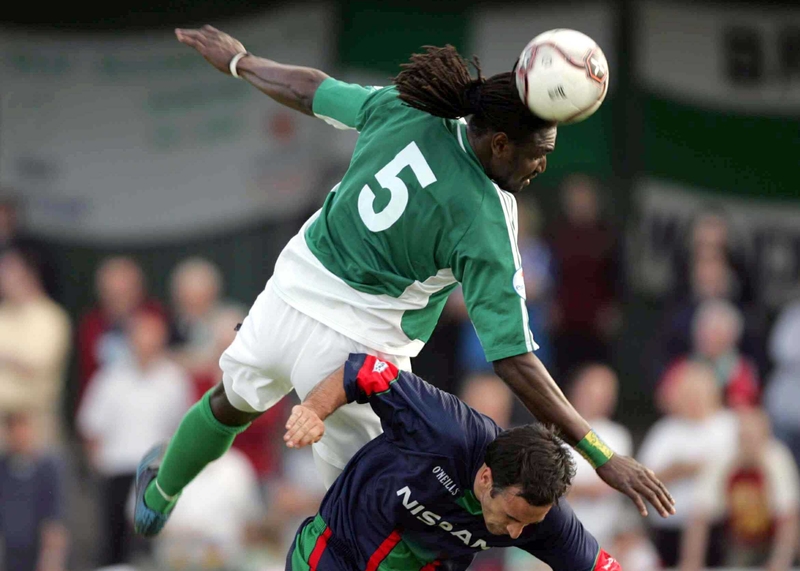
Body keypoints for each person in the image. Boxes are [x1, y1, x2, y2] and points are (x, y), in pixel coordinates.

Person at [132, 26, 673, 538]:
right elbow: (513, 358)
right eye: (541, 153)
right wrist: (602, 455)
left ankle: (159, 492)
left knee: (230, 404)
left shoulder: (407, 108)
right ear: (503, 144)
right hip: (355, 359)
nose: (541, 167)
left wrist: (239, 61)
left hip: (287, 297)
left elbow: (312, 90)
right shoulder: (486, 216)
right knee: (372, 514)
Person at [279, 354, 619, 571]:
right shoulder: (445, 430)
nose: (518, 533)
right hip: (334, 554)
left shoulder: (539, 518)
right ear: (486, 478)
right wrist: (313, 409)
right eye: (513, 517)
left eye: (528, 524)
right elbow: (365, 369)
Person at [78, 309, 192, 565]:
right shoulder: (109, 378)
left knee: (154, 548)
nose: (146, 344)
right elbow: (91, 426)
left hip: (158, 473)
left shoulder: (174, 379)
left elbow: (183, 428)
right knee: (113, 544)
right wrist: (98, 465)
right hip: (116, 472)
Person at [637, 361, 738, 567]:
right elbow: (641, 479)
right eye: (687, 393)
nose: (694, 399)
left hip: (721, 529)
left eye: (699, 392)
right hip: (670, 530)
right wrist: (678, 470)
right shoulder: (664, 430)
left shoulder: (730, 425)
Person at [680, 408, 800, 571]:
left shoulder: (777, 459)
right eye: (744, 439)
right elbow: (699, 515)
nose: (748, 446)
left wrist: (780, 563)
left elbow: (789, 517)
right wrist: (691, 561)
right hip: (739, 542)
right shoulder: (723, 459)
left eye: (754, 439)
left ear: (766, 437)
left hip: (776, 539)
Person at [0, 247, 71, 447]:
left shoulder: (51, 317)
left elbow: (36, 366)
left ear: (28, 275)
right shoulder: (2, 314)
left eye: (8, 272)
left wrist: (6, 357)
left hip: (35, 423)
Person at [77, 256, 164, 408]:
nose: (119, 300)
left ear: (138, 291)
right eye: (113, 294)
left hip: (150, 402)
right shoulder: (91, 325)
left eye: (125, 293)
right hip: (104, 407)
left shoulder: (155, 319)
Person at [565, 365, 633, 548]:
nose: (596, 398)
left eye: (604, 392)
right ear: (576, 391)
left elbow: (615, 485)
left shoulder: (618, 436)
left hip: (607, 536)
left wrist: (573, 488)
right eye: (591, 391)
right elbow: (547, 487)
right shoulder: (552, 432)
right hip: (560, 535)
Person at [0, 411, 69, 571]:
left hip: (39, 548)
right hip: (10, 549)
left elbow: (54, 514)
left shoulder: (47, 468)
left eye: (22, 428)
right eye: (13, 430)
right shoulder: (3, 468)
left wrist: (51, 557)